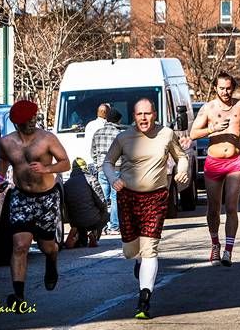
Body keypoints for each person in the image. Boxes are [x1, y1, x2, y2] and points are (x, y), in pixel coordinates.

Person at [103, 98, 189, 319]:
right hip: (128, 198)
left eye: (148, 114)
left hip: (156, 197)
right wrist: (113, 179)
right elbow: (107, 163)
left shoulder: (166, 134)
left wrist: (182, 170)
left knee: (150, 247)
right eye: (139, 114)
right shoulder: (124, 137)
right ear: (134, 115)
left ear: (154, 115)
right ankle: (139, 262)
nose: (143, 118)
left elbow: (182, 157)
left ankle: (144, 299)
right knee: (131, 251)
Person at [0, 100, 71, 308]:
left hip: (46, 197)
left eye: (33, 119)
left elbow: (66, 162)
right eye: (27, 121)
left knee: (48, 247)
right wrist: (0, 181)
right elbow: (3, 162)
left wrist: (47, 169)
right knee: (20, 245)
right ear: (17, 123)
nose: (32, 123)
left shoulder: (47, 139)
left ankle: (52, 262)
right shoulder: (6, 142)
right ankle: (19, 296)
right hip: (21, 197)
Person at [189, 72, 240, 267]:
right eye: (221, 88)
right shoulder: (208, 108)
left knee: (232, 207)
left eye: (228, 88)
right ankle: (215, 245)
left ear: (233, 88)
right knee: (213, 208)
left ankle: (228, 250)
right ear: (216, 88)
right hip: (214, 161)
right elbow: (193, 133)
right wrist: (213, 129)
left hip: (235, 161)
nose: (225, 92)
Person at [63, 158, 109, 248]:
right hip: (92, 219)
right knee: (106, 215)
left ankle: (79, 239)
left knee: (81, 232)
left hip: (74, 221)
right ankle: (94, 234)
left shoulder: (67, 184)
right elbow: (101, 200)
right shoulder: (91, 179)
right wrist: (103, 209)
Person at [92, 107, 123, 235]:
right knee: (115, 197)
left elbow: (93, 152)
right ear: (118, 121)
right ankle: (114, 226)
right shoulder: (119, 134)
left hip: (101, 168)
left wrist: (98, 163)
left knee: (102, 198)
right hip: (116, 168)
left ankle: (102, 226)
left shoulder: (97, 133)